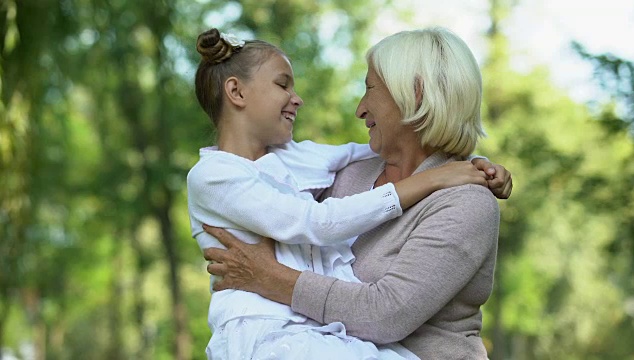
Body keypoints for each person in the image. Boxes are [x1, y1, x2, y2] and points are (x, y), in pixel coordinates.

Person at [189, 28, 510, 359]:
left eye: (370, 89)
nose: (359, 108)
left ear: (414, 93)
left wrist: (269, 278)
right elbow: (308, 218)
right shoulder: (349, 176)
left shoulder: (466, 202)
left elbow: (385, 314)